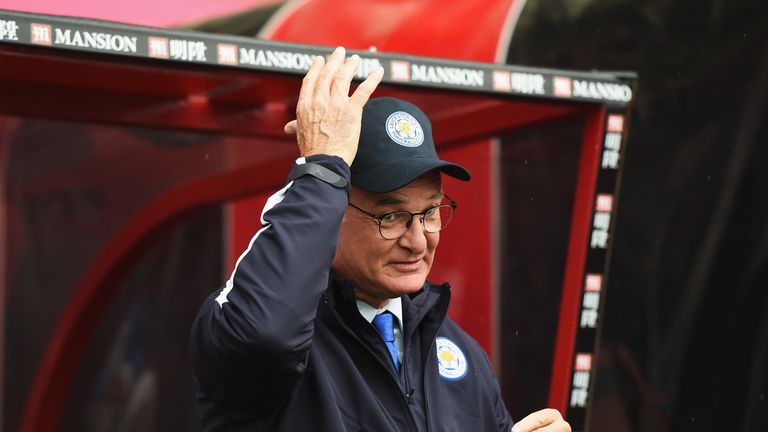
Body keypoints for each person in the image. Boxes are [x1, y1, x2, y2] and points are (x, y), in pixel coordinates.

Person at [190, 46, 570, 432]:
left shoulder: (463, 354)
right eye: (391, 216)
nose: (418, 242)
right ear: (332, 211)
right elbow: (265, 336)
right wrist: (321, 170)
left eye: (431, 212)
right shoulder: (261, 327)